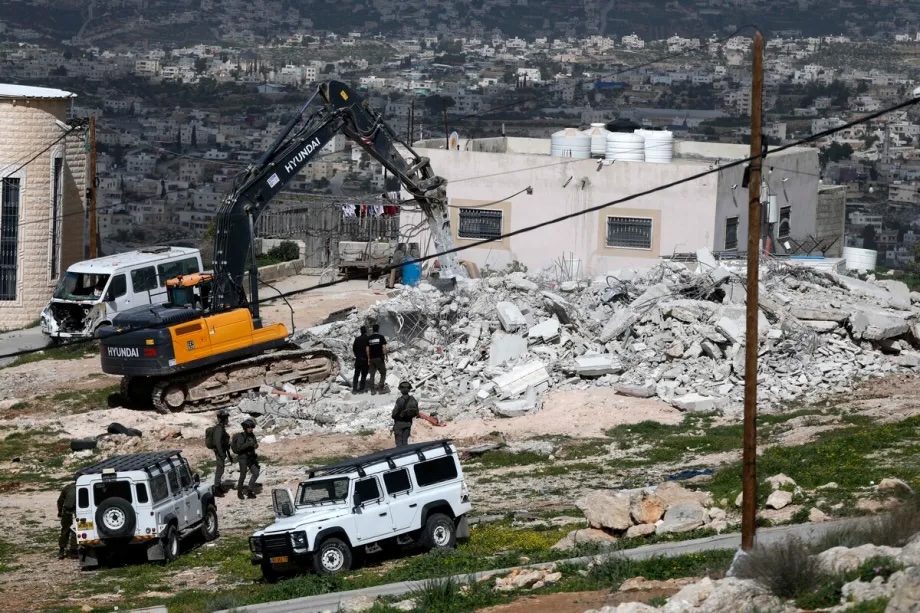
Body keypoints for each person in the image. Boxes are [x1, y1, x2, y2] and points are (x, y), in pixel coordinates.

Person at [231, 418, 260, 499]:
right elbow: (239, 448)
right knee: (243, 475)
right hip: (243, 458)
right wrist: (248, 444)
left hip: (251, 458)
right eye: (249, 428)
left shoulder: (252, 435)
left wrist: (255, 445)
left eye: (252, 428)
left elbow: (254, 443)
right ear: (245, 428)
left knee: (256, 473)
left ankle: (249, 491)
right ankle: (239, 492)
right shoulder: (241, 436)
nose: (251, 429)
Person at [210, 409, 233, 496]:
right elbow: (217, 442)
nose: (227, 420)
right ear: (223, 419)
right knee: (220, 469)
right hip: (220, 452)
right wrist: (221, 454)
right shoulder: (218, 429)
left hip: (222, 451)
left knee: (221, 468)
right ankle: (216, 488)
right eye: (226, 418)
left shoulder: (221, 428)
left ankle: (218, 486)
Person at [391, 381, 420, 447]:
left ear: (400, 390)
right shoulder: (413, 399)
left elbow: (394, 414)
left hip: (399, 424)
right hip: (408, 423)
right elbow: (417, 412)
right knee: (405, 442)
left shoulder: (400, 400)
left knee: (399, 444)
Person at [57, 482, 77, 560]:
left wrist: (59, 511)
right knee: (75, 531)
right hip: (73, 512)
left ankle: (62, 550)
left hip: (67, 512)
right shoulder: (83, 485)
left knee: (65, 531)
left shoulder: (68, 487)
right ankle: (73, 550)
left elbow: (60, 501)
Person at [366, 324, 388, 394]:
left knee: (372, 374)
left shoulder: (369, 338)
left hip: (372, 358)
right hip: (379, 358)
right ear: (378, 329)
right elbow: (384, 348)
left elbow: (367, 349)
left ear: (373, 330)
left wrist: (368, 358)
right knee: (383, 373)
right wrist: (386, 356)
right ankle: (380, 389)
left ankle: (372, 390)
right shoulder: (381, 337)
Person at [352, 326, 369, 393]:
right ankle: (361, 389)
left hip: (358, 360)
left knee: (356, 374)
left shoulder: (357, 339)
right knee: (363, 375)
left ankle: (354, 389)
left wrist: (357, 356)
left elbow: (354, 349)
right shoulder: (368, 339)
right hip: (365, 360)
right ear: (366, 331)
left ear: (360, 331)